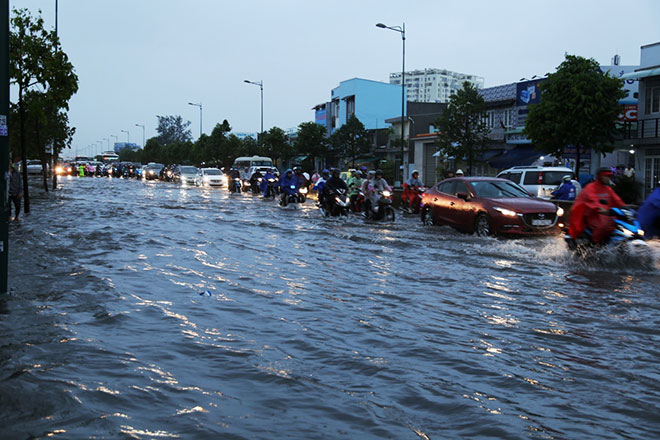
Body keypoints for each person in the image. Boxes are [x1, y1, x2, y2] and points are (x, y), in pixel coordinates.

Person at [567, 167, 626, 245]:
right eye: (606, 176)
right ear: (600, 177)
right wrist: (600, 209)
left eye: (609, 177)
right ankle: (596, 245)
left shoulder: (608, 189)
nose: (608, 179)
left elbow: (617, 200)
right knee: (602, 227)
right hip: (593, 216)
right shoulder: (591, 188)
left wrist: (626, 207)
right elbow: (592, 200)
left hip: (607, 215)